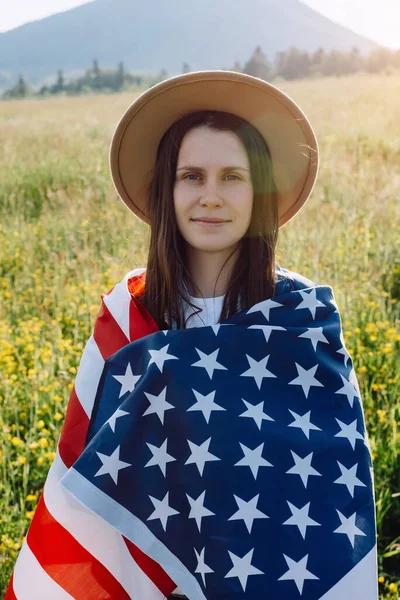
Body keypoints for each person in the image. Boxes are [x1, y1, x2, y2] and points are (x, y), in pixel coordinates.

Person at [6, 71, 378, 600]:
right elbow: (83, 476)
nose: (211, 196)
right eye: (191, 176)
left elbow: (333, 483)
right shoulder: (129, 313)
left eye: (232, 176)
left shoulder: (300, 318)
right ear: (168, 188)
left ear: (259, 192)